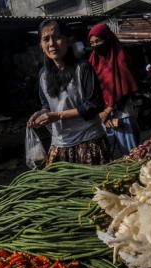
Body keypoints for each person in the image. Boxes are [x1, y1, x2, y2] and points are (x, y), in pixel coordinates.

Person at [27, 20, 109, 165]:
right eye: (46, 39)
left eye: (57, 37)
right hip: (60, 145)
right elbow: (47, 105)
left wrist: (57, 116)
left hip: (89, 142)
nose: (51, 43)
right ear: (41, 45)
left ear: (68, 40)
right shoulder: (43, 75)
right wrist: (41, 114)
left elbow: (95, 105)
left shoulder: (83, 68)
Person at [88, 23, 140, 156]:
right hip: (102, 116)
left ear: (107, 39)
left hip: (122, 113)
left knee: (131, 154)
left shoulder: (121, 58)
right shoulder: (93, 60)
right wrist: (102, 111)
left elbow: (125, 87)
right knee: (109, 155)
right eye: (92, 42)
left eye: (97, 41)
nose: (94, 45)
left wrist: (109, 109)